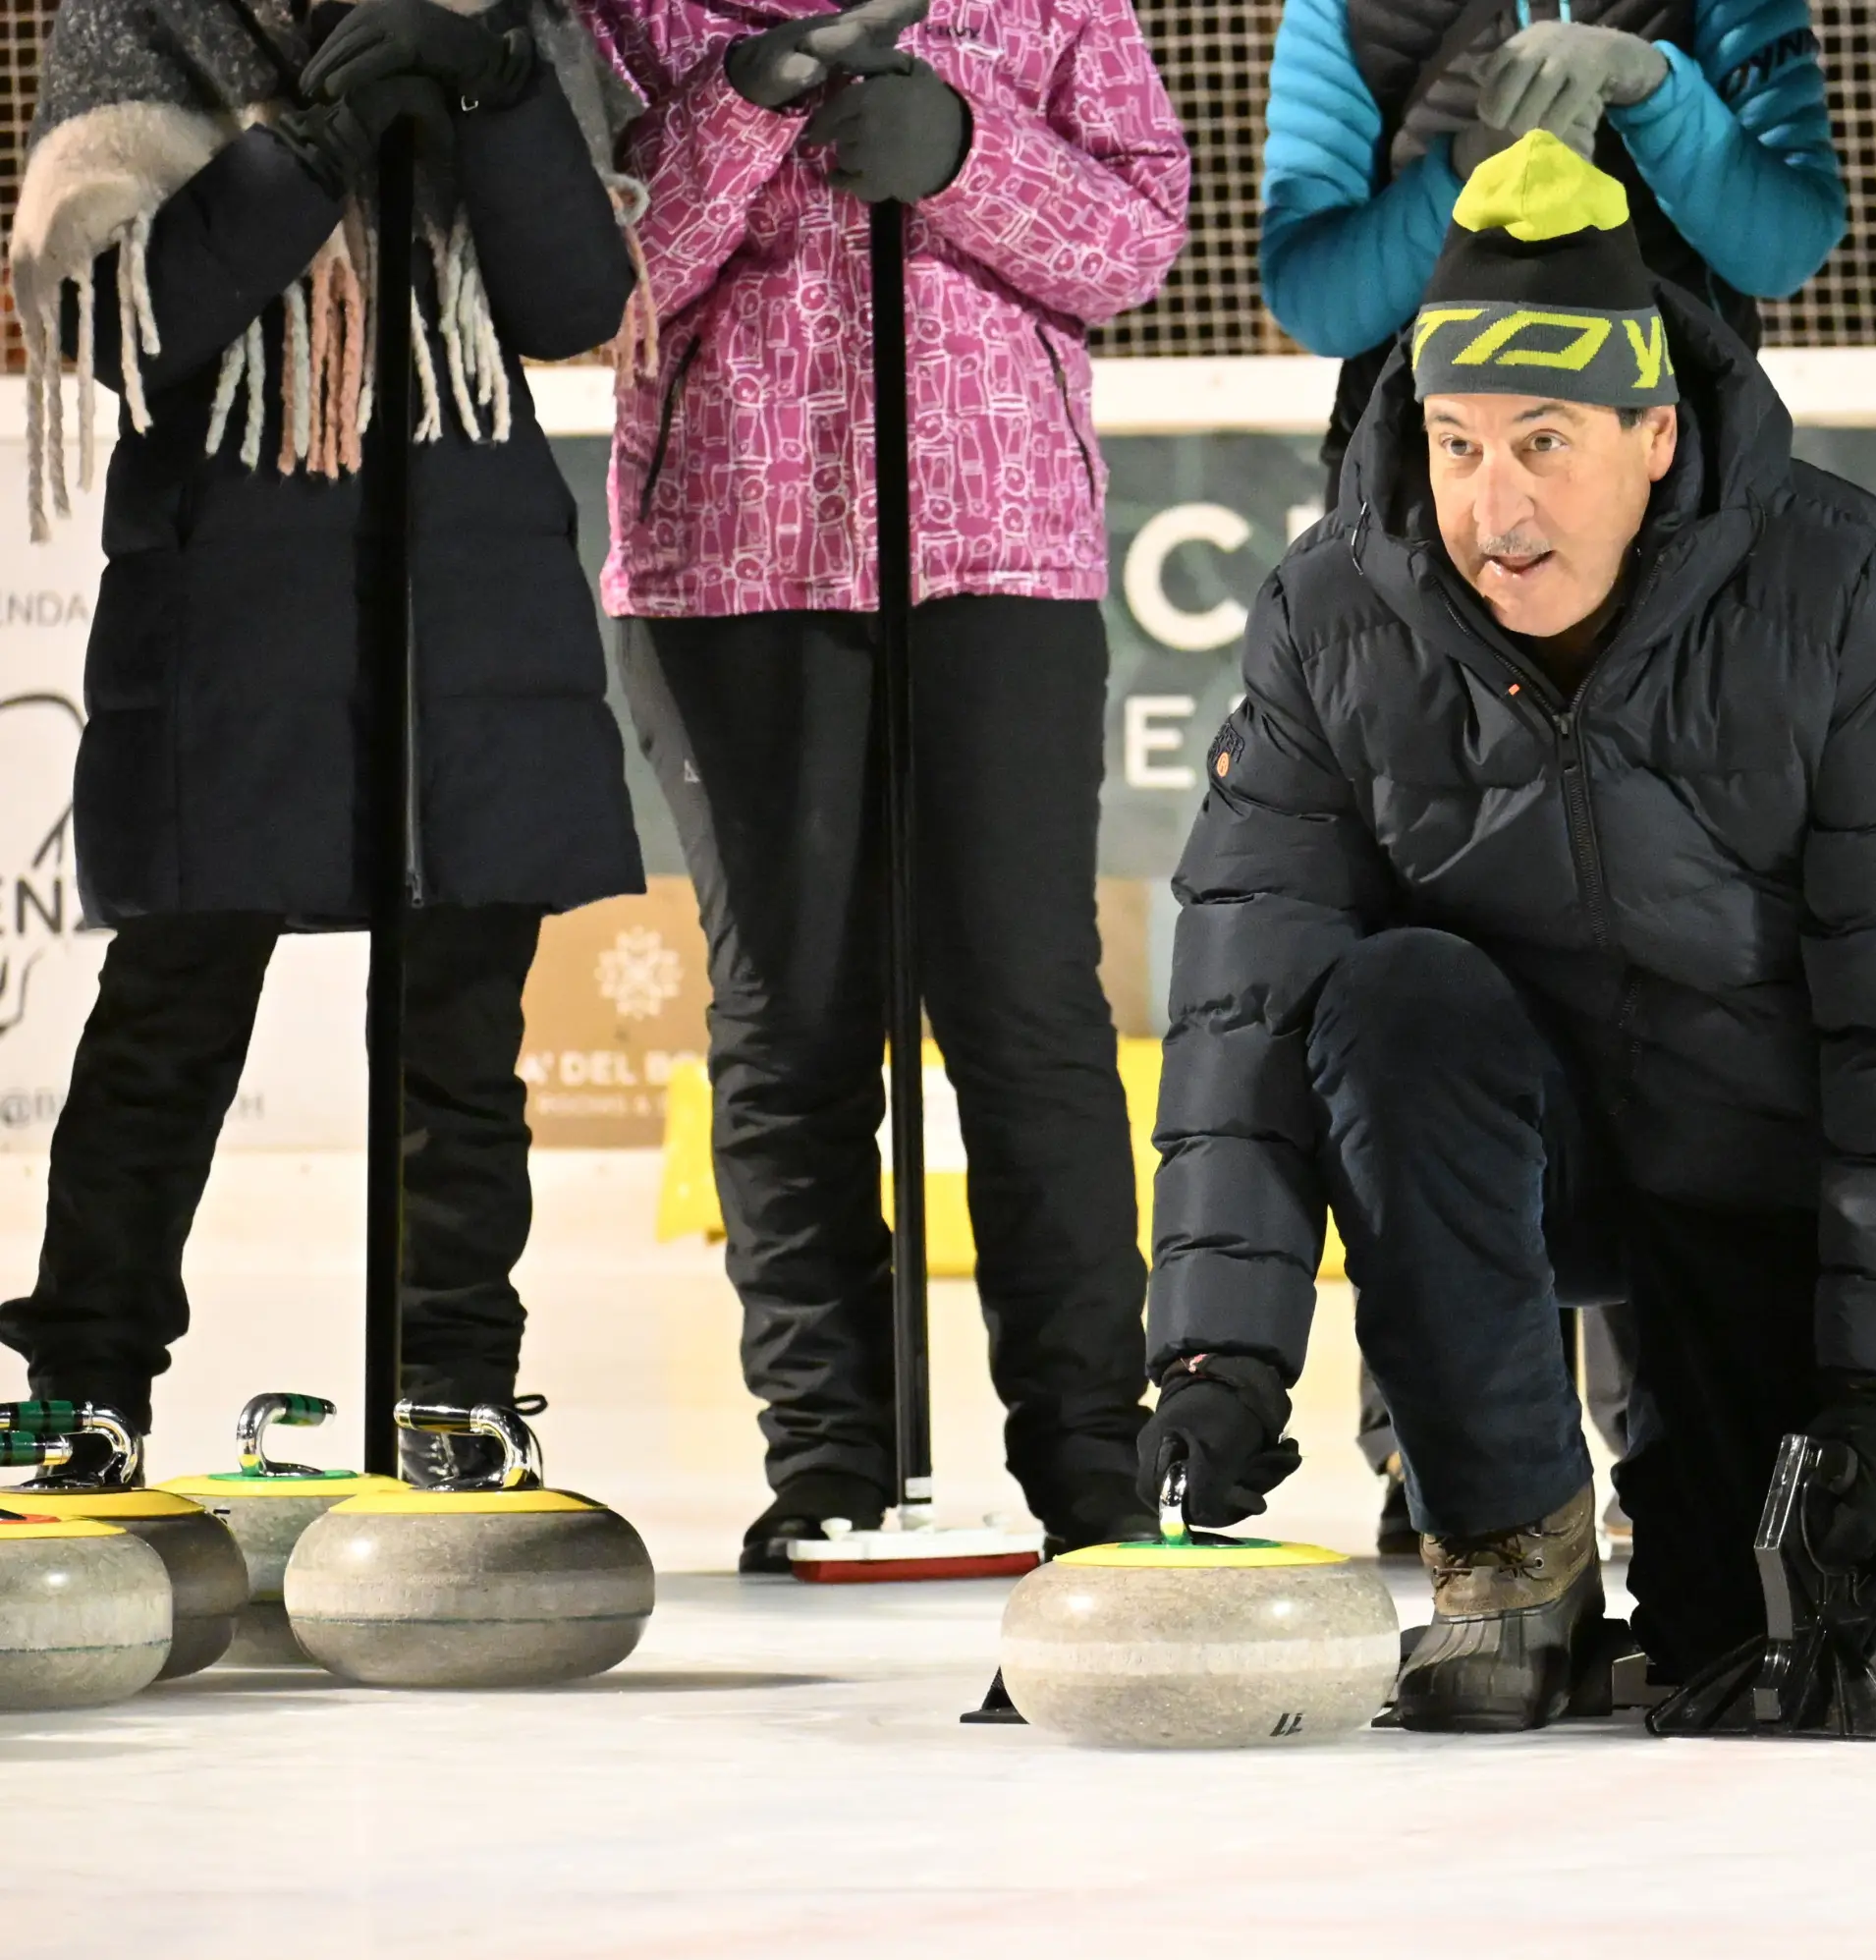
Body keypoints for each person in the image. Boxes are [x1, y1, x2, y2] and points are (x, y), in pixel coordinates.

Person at [1138, 134, 1876, 1729]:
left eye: (1545, 443)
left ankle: (1777, 1524)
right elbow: (1243, 1005)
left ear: (1654, 434)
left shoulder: (1835, 591)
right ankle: (1514, 1555)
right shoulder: (1331, 620)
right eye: (1461, 443)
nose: (1497, 506)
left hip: (1754, 1172)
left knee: (1751, 1632)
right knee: (1388, 1001)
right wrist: (1217, 1367)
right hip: (1511, 1162)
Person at [579, 0, 1189, 1566]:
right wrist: (752, 95)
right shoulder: (638, 12)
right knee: (791, 1014)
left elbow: (1133, 239)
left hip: (999, 549)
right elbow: (599, 274)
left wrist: (969, 150)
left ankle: (1090, 1469)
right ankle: (831, 1460)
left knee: (1028, 1010)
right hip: (730, 557)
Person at [0, 0, 643, 1483]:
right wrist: (303, 156)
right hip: (235, 569)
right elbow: (121, 321)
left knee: (461, 1023)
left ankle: (456, 1390)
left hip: (465, 572)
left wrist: (493, 88)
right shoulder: (148, 18)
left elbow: (568, 297)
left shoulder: (510, 17)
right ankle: (81, 1388)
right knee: (173, 1002)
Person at [1260, 0, 1844, 492]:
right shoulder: (1337, 9)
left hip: (1678, 466)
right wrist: (1468, 168)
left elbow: (1784, 249)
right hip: (1425, 482)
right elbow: (1318, 305)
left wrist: (1655, 91)